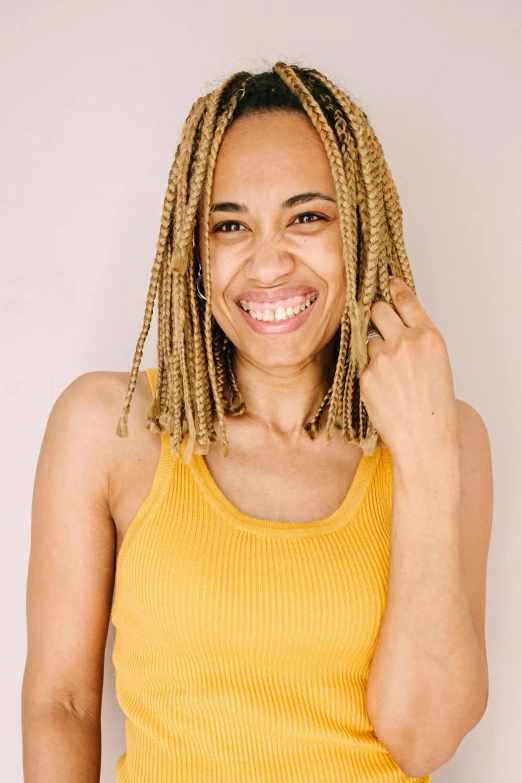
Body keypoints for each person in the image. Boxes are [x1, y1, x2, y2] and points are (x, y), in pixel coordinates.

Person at [22, 63, 493, 782]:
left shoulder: (446, 435)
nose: (268, 261)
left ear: (359, 229)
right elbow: (63, 703)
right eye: (230, 225)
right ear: (193, 251)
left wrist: (425, 456)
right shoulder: (106, 428)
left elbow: (423, 738)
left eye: (308, 217)